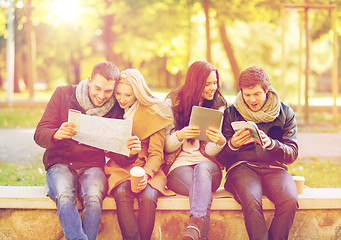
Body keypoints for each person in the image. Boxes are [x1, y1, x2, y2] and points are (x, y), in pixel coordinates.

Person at [34, 61, 128, 240]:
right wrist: (56, 134)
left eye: (108, 91)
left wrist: (129, 150)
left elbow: (121, 156)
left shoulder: (116, 109)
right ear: (89, 80)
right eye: (98, 88)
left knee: (93, 198)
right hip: (60, 162)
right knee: (64, 195)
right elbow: (39, 134)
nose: (102, 96)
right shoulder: (63, 94)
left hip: (92, 166)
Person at [217, 66, 299, 240]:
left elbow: (292, 153)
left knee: (290, 199)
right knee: (251, 198)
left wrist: (272, 144)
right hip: (242, 168)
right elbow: (221, 158)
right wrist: (232, 145)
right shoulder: (231, 113)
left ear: (266, 90)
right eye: (247, 95)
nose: (252, 99)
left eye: (256, 94)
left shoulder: (285, 113)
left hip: (275, 168)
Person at [105, 69, 173, 240]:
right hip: (121, 167)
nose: (122, 99)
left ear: (137, 92)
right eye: (118, 94)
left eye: (127, 95)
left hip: (148, 167)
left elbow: (157, 154)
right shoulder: (114, 111)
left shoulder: (153, 113)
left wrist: (146, 174)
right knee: (121, 193)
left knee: (149, 196)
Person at [164, 61, 228, 240]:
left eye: (215, 83)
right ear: (195, 83)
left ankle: (193, 227)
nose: (212, 88)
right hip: (179, 167)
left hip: (208, 166)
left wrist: (220, 142)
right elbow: (166, 147)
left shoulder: (218, 104)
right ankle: (199, 233)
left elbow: (210, 150)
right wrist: (180, 135)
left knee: (202, 169)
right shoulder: (173, 102)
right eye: (207, 84)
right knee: (201, 192)